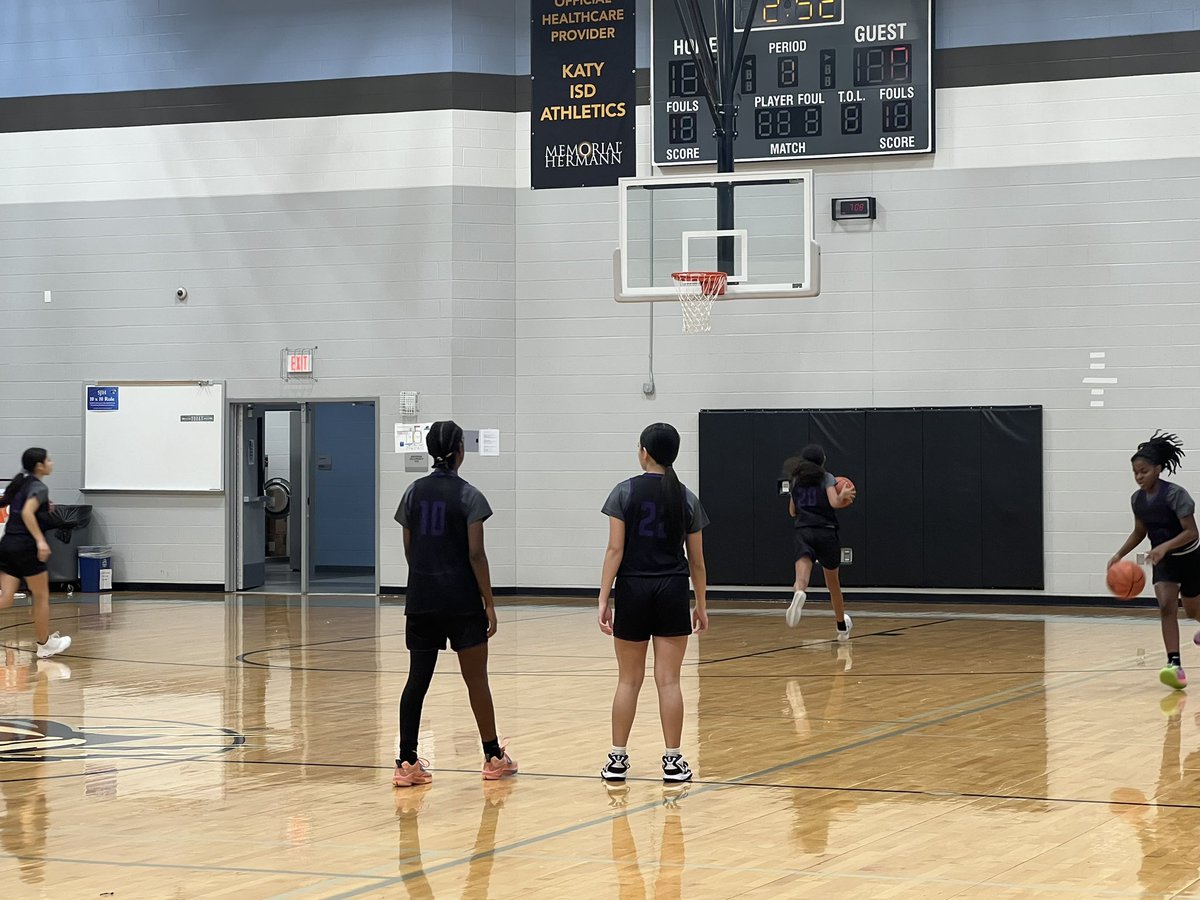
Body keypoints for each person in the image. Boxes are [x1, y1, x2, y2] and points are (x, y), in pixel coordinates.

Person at [391, 421, 516, 787]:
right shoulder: (469, 496)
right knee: (476, 681)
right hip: (461, 601)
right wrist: (489, 602)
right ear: (460, 450)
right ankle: (493, 757)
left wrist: (425, 576)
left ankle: (407, 762)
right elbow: (476, 553)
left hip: (422, 599)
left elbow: (409, 548)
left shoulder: (412, 493)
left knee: (417, 680)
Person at [598, 423, 709, 784]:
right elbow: (697, 562)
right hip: (672, 590)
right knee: (669, 681)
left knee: (628, 680)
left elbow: (615, 550)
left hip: (633, 588)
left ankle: (617, 760)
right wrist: (701, 604)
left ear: (644, 452)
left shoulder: (624, 492)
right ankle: (673, 762)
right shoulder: (686, 497)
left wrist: (603, 597)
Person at [1108, 431, 1200, 690]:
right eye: (1135, 472)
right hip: (1165, 562)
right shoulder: (1137, 500)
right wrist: (1119, 554)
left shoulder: (1175, 495)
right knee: (1166, 606)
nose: (1139, 477)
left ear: (1158, 469)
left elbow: (1192, 532)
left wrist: (1164, 547)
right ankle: (1174, 665)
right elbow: (1140, 532)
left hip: (1190, 558)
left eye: (1144, 471)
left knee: (1193, 611)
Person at [0, 449, 71, 659]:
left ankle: (46, 643)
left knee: (6, 598)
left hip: (7, 545)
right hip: (26, 547)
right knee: (41, 597)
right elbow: (26, 512)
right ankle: (45, 645)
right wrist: (40, 541)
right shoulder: (39, 487)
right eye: (48, 459)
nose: (51, 462)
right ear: (39, 466)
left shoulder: (20, 481)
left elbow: (9, 504)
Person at [784, 444, 856, 640]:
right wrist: (842, 496)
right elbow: (834, 502)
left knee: (801, 579)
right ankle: (841, 626)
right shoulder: (827, 478)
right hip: (826, 532)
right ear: (822, 461)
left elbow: (792, 511)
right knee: (833, 584)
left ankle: (799, 593)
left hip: (803, 532)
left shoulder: (796, 480)